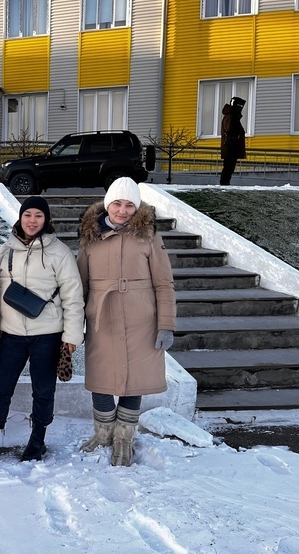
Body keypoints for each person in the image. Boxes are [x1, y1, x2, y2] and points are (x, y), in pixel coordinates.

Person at [0, 196, 84, 464]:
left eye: (38, 216)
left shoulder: (60, 253)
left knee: (43, 390)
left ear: (47, 220)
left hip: (48, 334)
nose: (32, 220)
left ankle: (37, 441)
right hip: (12, 334)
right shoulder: (5, 251)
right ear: (20, 217)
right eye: (27, 214)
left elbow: (73, 297)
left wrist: (71, 336)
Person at [76, 177, 176, 466]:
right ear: (108, 204)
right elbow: (78, 285)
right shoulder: (90, 238)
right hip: (102, 319)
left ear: (137, 207)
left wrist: (166, 324)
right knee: (101, 379)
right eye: (117, 203)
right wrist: (73, 325)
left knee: (136, 381)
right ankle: (104, 432)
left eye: (129, 205)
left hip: (141, 321)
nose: (122, 210)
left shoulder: (150, 237)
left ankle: (124, 437)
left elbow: (164, 284)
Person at [220, 96, 246, 185]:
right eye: (240, 106)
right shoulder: (232, 117)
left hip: (230, 146)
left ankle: (225, 183)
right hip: (231, 147)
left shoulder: (230, 116)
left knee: (228, 167)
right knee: (229, 167)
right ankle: (225, 184)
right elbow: (231, 130)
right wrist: (237, 137)